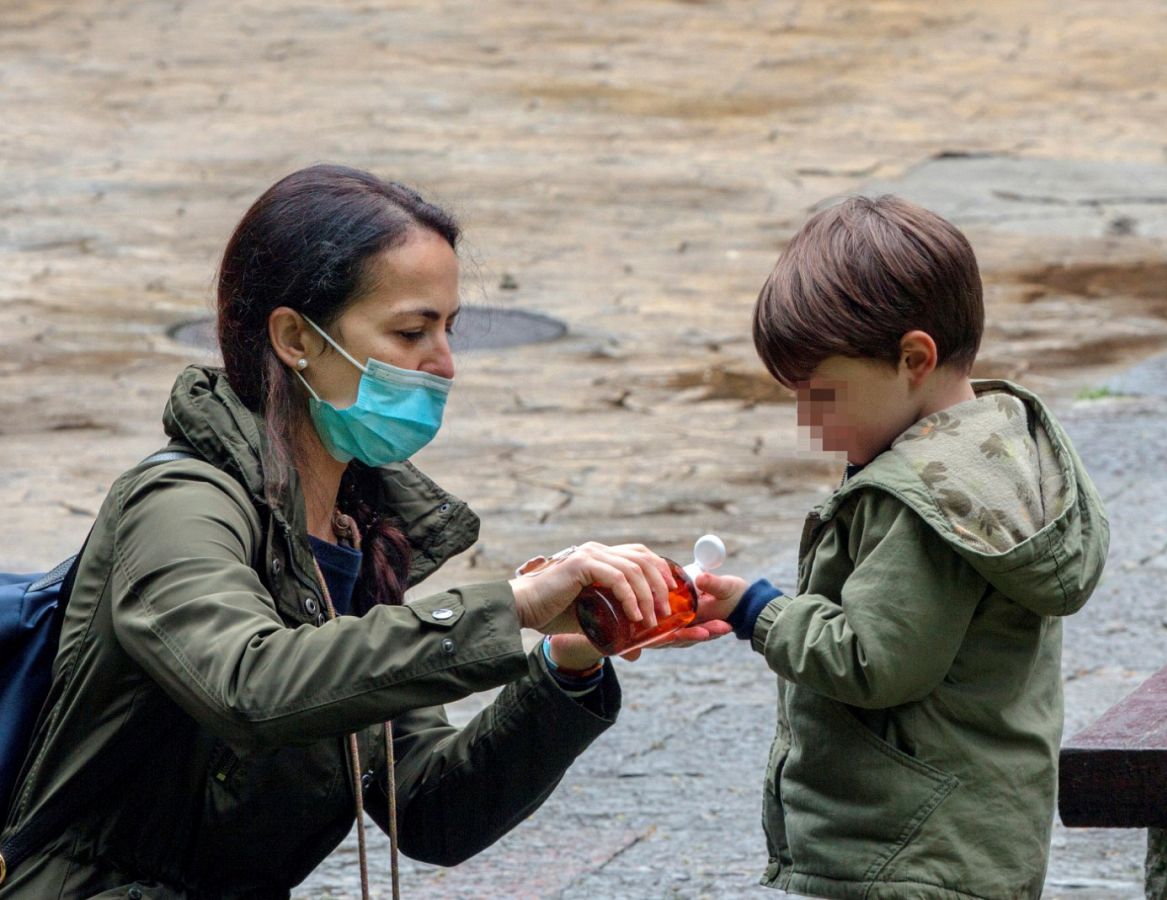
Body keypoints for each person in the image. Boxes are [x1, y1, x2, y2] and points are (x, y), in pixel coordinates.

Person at [0, 164, 728, 898]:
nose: (443, 364)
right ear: (295, 338)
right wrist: (509, 605)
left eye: (449, 330)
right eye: (412, 331)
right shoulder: (179, 503)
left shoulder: (357, 538)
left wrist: (566, 666)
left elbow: (433, 807)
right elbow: (248, 684)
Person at [692, 196, 1109, 899]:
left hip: (900, 849)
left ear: (914, 358)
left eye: (821, 396)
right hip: (969, 834)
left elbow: (874, 660)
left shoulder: (918, 502)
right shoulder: (995, 448)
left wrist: (755, 609)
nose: (807, 421)